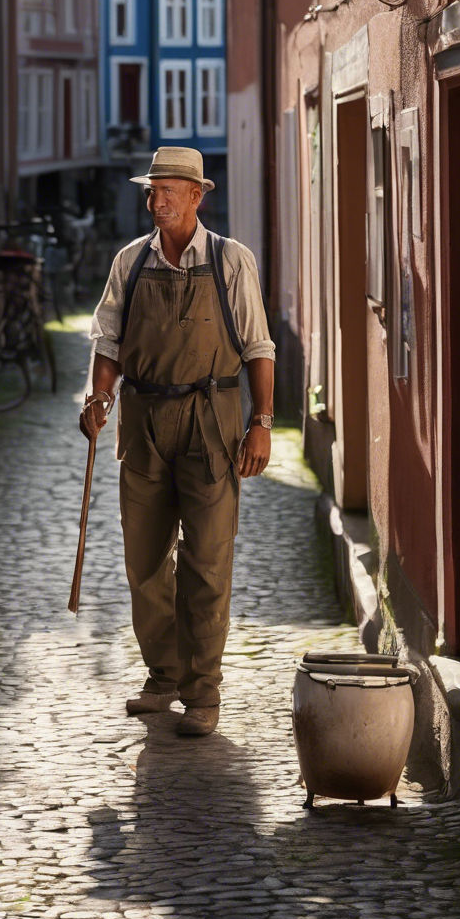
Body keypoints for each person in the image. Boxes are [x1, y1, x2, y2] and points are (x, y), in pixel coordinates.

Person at [80, 148, 275, 737]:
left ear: (197, 196)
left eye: (169, 190)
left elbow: (258, 347)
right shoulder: (130, 262)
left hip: (211, 422)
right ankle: (163, 676)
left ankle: (203, 692)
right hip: (143, 423)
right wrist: (99, 398)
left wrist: (261, 423)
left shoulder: (230, 260)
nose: (157, 200)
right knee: (144, 562)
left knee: (207, 562)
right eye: (152, 189)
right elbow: (108, 340)